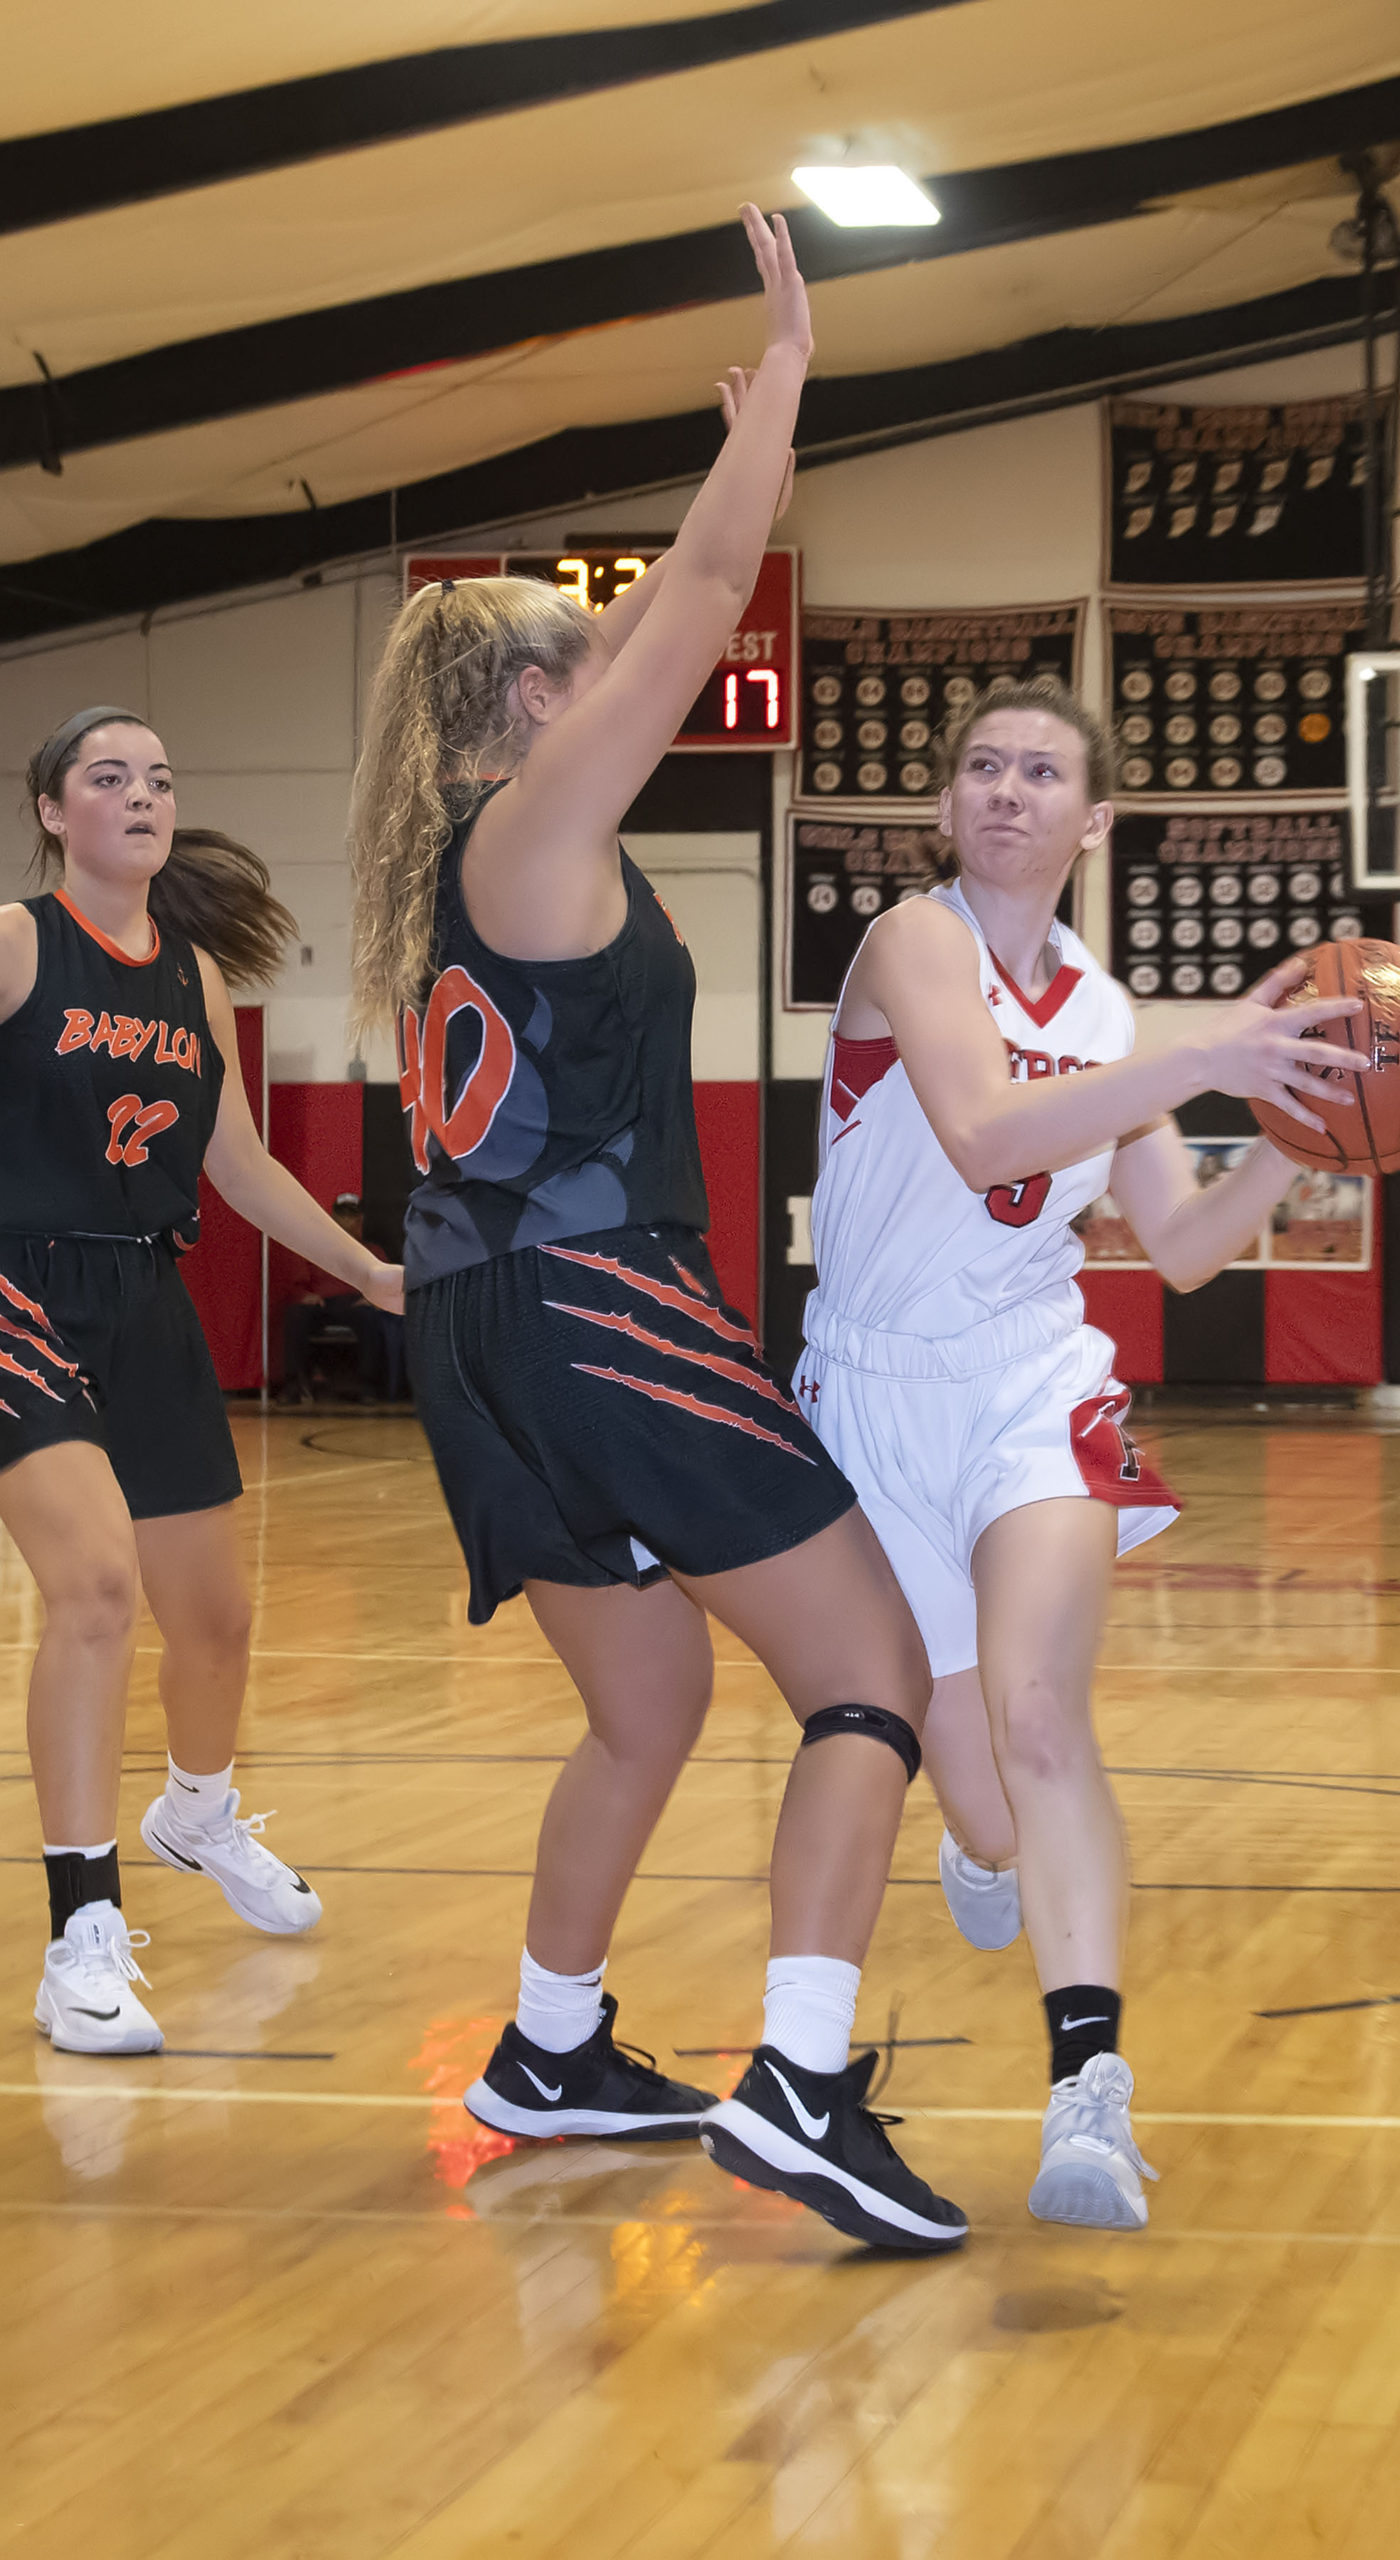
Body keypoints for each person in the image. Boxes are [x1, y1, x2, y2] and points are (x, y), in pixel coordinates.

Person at [348, 205, 964, 2253]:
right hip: (595, 1304)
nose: (612, 672)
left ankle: (546, 2041)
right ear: (529, 697)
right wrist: (783, 373)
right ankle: (798, 2081)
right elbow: (707, 578)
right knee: (865, 1671)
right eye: (576, 655)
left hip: (477, 1319)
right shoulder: (536, 828)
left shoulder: (468, 865)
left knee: (649, 1704)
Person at [795, 674, 1369, 2228]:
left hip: (1027, 1378)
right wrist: (1205, 1062)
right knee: (983, 1796)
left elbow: (1177, 1245)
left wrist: (1309, 1134)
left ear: (1091, 819)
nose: (1004, 790)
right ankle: (983, 1847)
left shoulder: (1111, 1015)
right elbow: (984, 1134)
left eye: (1041, 772)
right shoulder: (909, 943)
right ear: (942, 806)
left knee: (1045, 1717)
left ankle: (1087, 2097)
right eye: (980, 766)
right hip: (867, 1395)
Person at [0, 707, 406, 2055]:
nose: (141, 796)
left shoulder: (195, 980)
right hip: (19, 1286)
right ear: (54, 811)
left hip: (146, 1297)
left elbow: (238, 1170)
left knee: (217, 1621)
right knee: (97, 1591)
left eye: (160, 779)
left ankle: (196, 1813)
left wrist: (375, 1274)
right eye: (108, 778)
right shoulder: (18, 942)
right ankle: (80, 1937)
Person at [279, 1193, 408, 1402]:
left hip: (354, 1302)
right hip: (321, 1303)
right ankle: (295, 1384)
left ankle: (368, 1387)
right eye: (342, 1216)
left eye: (351, 1216)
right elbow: (296, 1285)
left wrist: (374, 1299)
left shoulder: (372, 1251)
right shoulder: (316, 1250)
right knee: (296, 1315)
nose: (347, 1222)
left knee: (370, 1318)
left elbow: (387, 1282)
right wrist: (305, 1296)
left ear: (360, 1220)